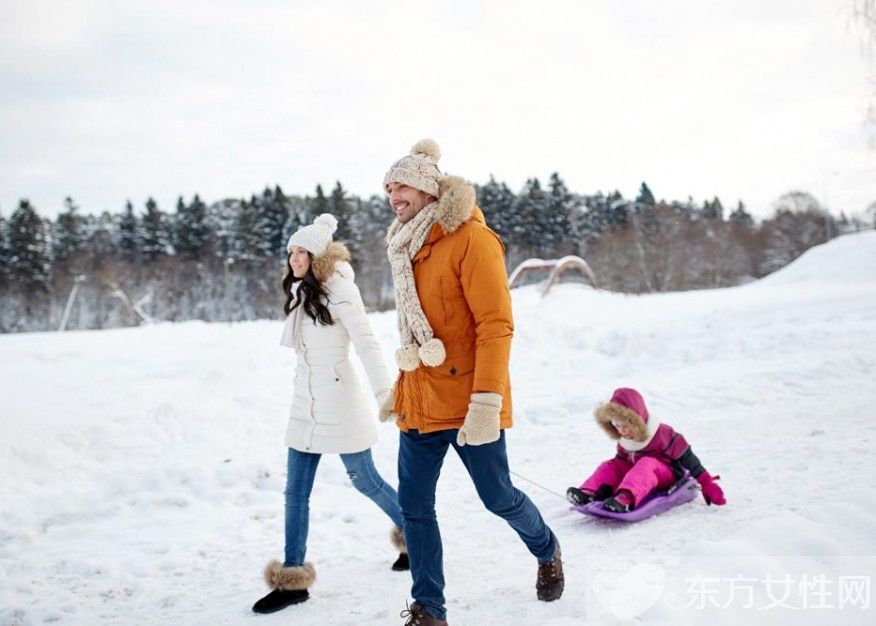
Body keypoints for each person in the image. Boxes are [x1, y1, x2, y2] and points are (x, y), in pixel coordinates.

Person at [378, 139, 564, 626]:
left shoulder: (471, 238)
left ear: (425, 187)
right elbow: (416, 328)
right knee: (415, 508)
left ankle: (546, 548)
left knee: (497, 496)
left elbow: (495, 325)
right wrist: (400, 387)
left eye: (401, 185)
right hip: (420, 400)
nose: (393, 194)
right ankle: (429, 609)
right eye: (389, 187)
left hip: (468, 401)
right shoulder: (404, 246)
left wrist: (486, 401)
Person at [252, 214, 408, 615]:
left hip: (340, 403)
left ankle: (414, 535)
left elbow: (368, 343)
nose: (293, 258)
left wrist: (384, 394)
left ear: (317, 254)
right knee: (295, 492)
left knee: (365, 480)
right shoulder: (302, 294)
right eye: (290, 251)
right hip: (305, 404)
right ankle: (292, 580)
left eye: (301, 251)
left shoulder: (340, 290)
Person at [566, 387, 726, 512]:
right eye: (617, 425)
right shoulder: (624, 438)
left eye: (625, 426)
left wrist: (706, 482)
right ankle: (588, 492)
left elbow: (688, 457)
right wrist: (610, 485)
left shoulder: (662, 434)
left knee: (646, 463)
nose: (621, 431)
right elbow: (621, 464)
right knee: (611, 465)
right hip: (639, 476)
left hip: (666, 475)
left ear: (637, 421)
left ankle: (626, 498)